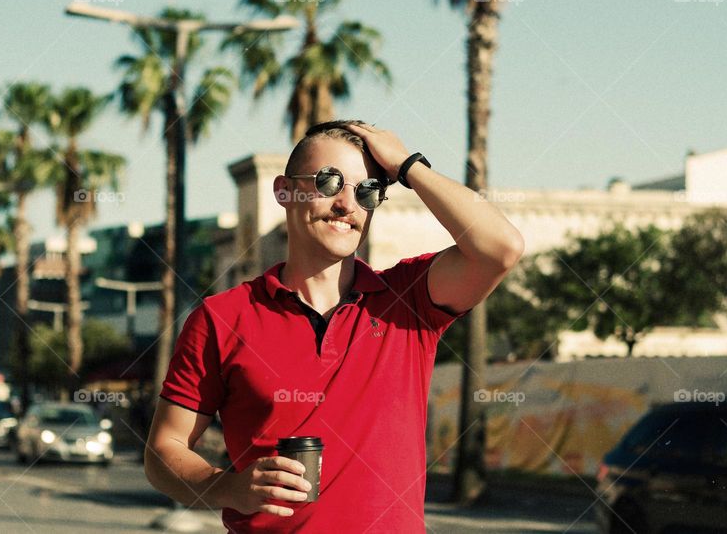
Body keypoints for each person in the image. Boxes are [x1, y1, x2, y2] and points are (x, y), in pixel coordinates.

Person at [144, 120, 524, 532]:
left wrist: (407, 164)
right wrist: (227, 487)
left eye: (367, 191)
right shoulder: (221, 317)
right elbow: (165, 448)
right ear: (284, 191)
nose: (348, 204)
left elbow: (501, 247)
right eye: (329, 182)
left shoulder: (408, 300)